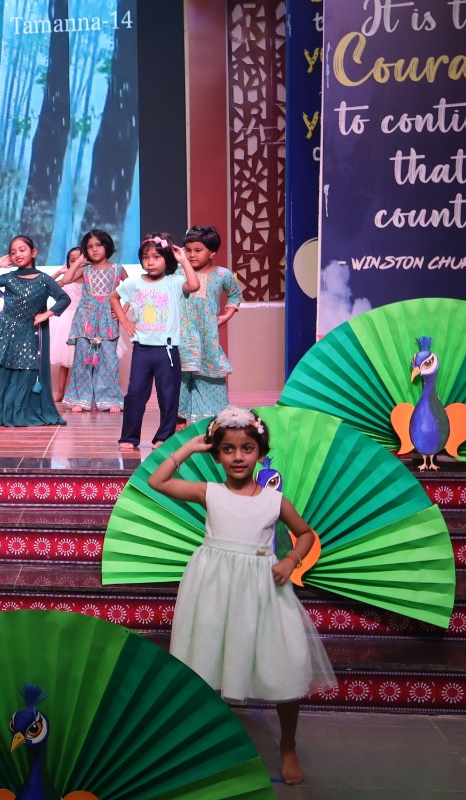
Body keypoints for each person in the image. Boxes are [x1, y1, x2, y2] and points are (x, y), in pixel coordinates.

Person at [145, 408, 335, 786]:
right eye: (228, 449)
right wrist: (188, 449)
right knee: (208, 657)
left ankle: (288, 745)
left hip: (263, 588)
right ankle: (200, 743)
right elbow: (158, 481)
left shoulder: (273, 500)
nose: (237, 457)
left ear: (260, 453)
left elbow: (307, 534)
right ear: (217, 455)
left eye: (247, 448)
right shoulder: (208, 492)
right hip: (214, 587)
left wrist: (292, 559)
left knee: (283, 663)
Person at [0, 236, 73, 427]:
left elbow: (64, 299)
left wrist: (45, 315)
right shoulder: (10, 277)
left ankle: (18, 412)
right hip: (6, 331)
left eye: (22, 250)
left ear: (34, 252)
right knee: (1, 370)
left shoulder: (45, 280)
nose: (17, 255)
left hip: (29, 332)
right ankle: (0, 412)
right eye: (13, 252)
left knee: (26, 371)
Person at [112, 233, 200, 451]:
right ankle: (129, 437)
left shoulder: (174, 282)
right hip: (142, 349)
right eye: (145, 257)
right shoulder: (134, 283)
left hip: (167, 350)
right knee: (135, 394)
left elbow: (194, 285)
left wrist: (184, 260)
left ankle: (164, 436)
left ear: (166, 259)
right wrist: (124, 320)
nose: (149, 262)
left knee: (168, 395)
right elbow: (114, 297)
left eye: (156, 257)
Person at [178, 225, 244, 425]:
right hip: (183, 332)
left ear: (212, 252)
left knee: (211, 375)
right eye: (188, 250)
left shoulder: (223, 275)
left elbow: (235, 294)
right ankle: (178, 418)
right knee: (180, 376)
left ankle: (215, 420)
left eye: (198, 250)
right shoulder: (179, 273)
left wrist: (226, 315)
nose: (191, 255)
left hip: (207, 335)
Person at [62, 229, 127, 413]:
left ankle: (109, 399)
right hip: (86, 319)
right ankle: (80, 399)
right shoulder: (85, 270)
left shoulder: (118, 269)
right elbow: (66, 279)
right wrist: (79, 262)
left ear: (107, 245)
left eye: (98, 245)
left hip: (107, 319)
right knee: (83, 359)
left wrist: (123, 311)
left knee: (109, 360)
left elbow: (132, 291)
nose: (95, 250)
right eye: (90, 247)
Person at [50, 247, 84, 402]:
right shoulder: (65, 279)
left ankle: (82, 392)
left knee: (85, 359)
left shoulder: (88, 276)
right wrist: (58, 272)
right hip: (66, 321)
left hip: (83, 320)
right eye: (72, 260)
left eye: (79, 259)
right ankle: (61, 391)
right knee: (64, 360)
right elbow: (45, 286)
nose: (76, 262)